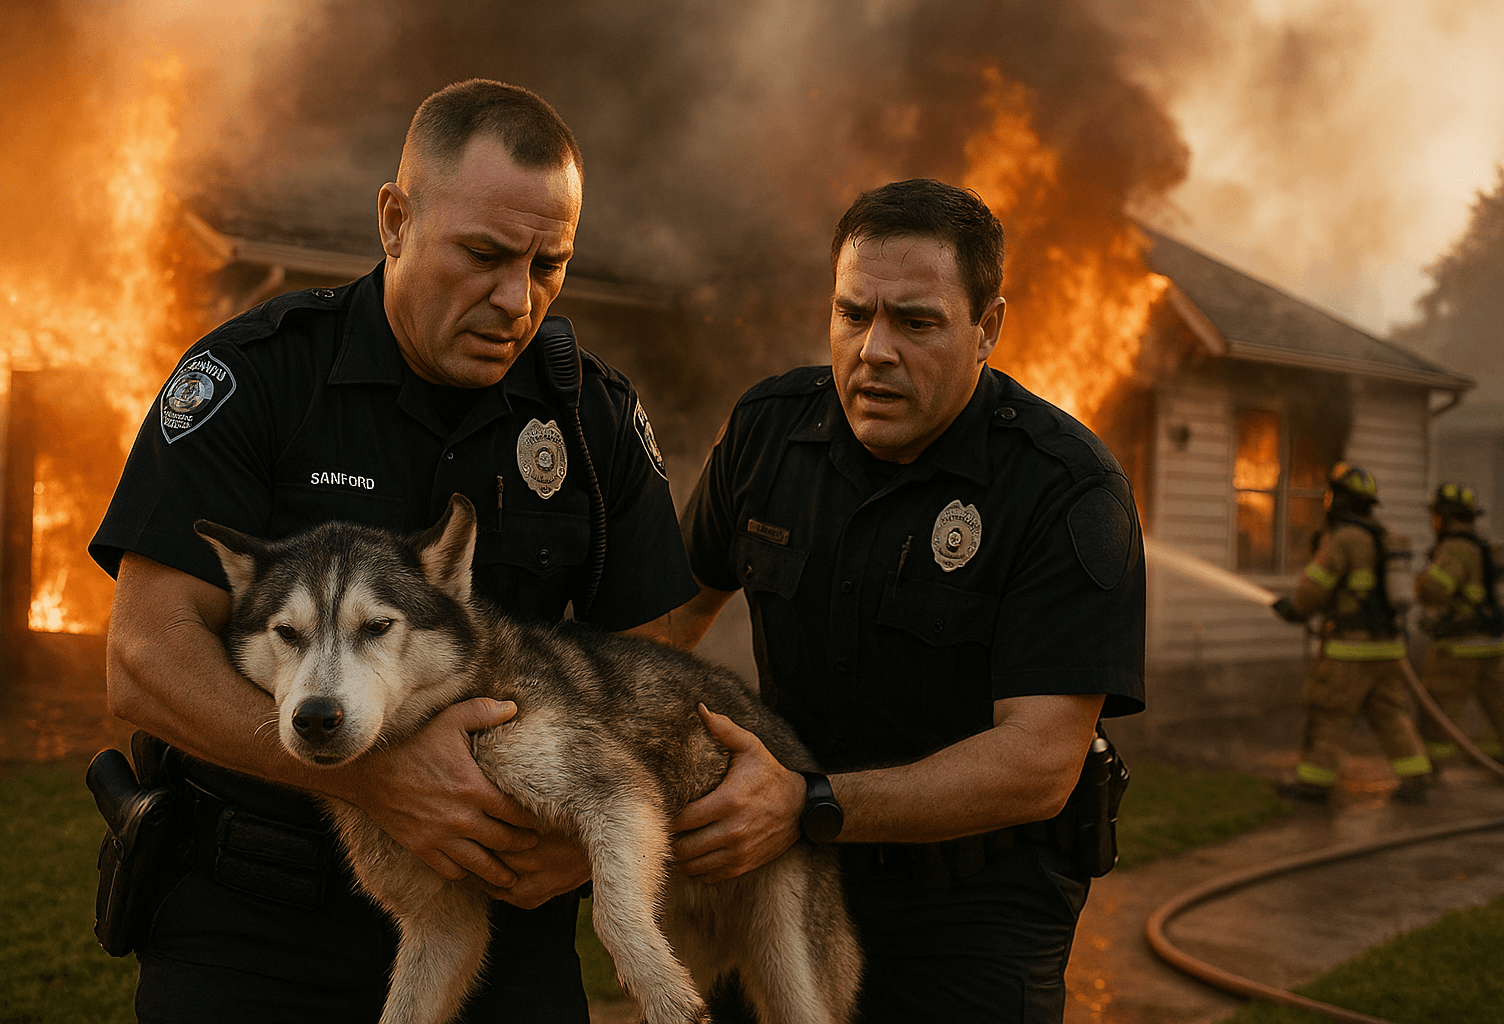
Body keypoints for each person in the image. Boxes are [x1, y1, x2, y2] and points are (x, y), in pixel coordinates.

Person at [88, 79, 696, 1023]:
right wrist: (378, 778)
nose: (515, 299)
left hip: (502, 923)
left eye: (549, 265)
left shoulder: (593, 420)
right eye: (484, 255)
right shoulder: (258, 378)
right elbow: (144, 655)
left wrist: (582, 844)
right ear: (396, 219)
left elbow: (650, 665)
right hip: (256, 924)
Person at [666, 178, 1146, 1023]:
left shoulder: (1065, 488)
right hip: (783, 880)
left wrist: (808, 805)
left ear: (987, 328)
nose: (874, 350)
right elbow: (661, 628)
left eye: (916, 323)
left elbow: (1038, 764)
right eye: (854, 315)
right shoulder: (767, 433)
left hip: (971, 909)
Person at [1271, 462, 1432, 802]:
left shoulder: (1343, 539)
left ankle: (1313, 783)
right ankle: (1416, 777)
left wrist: (1295, 609)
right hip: (1388, 650)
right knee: (1392, 715)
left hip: (1349, 651)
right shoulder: (1385, 537)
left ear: (1338, 500)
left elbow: (1315, 589)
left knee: (1328, 714)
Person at [1415, 482, 1504, 764]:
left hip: (1459, 649)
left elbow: (1435, 590)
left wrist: (1421, 580)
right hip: (1496, 647)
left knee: (1438, 714)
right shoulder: (1487, 546)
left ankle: (1430, 769)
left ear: (1443, 516)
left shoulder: (1454, 548)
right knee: (1503, 710)